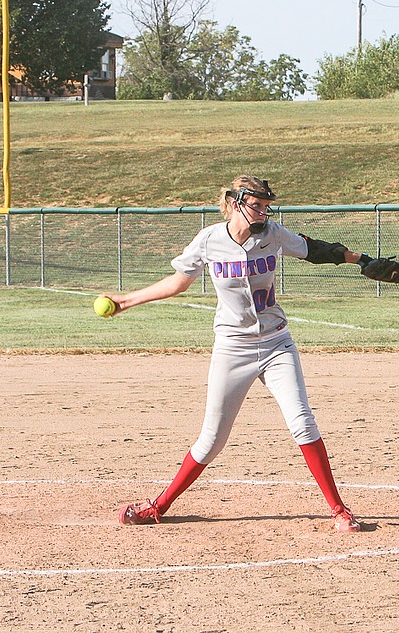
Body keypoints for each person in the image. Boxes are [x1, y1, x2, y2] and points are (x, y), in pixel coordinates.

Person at [105, 176, 366, 532]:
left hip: (277, 344)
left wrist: (362, 260)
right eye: (256, 205)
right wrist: (128, 300)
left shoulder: (273, 234)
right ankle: (158, 506)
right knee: (212, 439)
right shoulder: (209, 240)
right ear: (233, 203)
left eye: (266, 205)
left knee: (302, 422)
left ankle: (339, 510)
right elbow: (178, 282)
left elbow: (317, 250)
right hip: (233, 348)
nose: (262, 212)